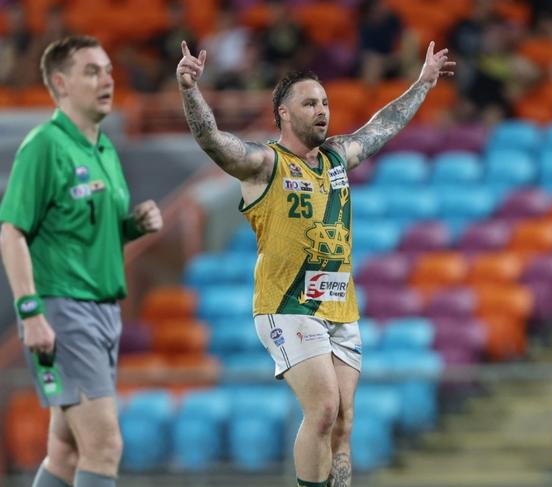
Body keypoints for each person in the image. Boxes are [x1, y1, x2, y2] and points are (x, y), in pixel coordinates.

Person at [177, 37, 454, 487]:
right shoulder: (264, 164)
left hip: (339, 305)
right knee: (323, 409)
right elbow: (211, 139)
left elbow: (382, 126)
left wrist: (422, 84)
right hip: (286, 305)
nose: (322, 110)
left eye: (324, 102)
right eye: (309, 104)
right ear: (283, 113)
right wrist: (190, 90)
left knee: (343, 424)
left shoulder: (337, 157)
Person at [0, 36, 163, 487]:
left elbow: (89, 228)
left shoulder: (104, 148)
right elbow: (11, 231)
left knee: (66, 451)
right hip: (64, 311)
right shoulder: (44, 146)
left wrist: (132, 226)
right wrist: (30, 313)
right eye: (91, 71)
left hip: (103, 311)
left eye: (108, 70)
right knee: (104, 446)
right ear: (60, 83)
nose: (106, 79)